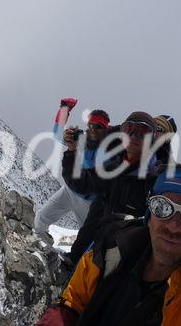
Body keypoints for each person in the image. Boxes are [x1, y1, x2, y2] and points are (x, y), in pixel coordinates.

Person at [36, 164, 181, 326]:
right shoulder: (111, 250)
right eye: (163, 207)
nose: (173, 226)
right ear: (149, 213)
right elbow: (73, 305)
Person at [61, 111, 158, 265]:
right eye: (128, 129)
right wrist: (71, 151)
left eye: (142, 132)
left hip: (120, 269)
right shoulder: (112, 169)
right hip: (83, 262)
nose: (133, 136)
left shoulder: (155, 183)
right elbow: (80, 182)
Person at [34, 108, 112, 235]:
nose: (93, 129)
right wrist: (64, 109)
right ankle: (37, 242)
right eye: (91, 125)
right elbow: (58, 134)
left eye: (99, 127)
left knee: (88, 235)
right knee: (42, 217)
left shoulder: (110, 150)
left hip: (89, 201)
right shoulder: (81, 139)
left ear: (106, 129)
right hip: (69, 191)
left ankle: (85, 254)